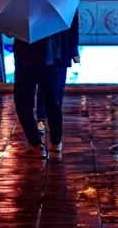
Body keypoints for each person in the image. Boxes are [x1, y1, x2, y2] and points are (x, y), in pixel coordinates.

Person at [13, 27, 65, 159]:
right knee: (53, 103)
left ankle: (37, 145)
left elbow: (11, 31)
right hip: (50, 58)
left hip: (25, 60)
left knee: (24, 104)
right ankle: (56, 143)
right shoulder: (53, 13)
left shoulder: (20, 13)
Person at [37, 11, 80, 133]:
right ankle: (42, 119)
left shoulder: (68, 3)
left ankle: (54, 121)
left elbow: (74, 27)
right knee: (44, 87)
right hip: (45, 49)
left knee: (58, 88)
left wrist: (74, 51)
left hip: (62, 50)